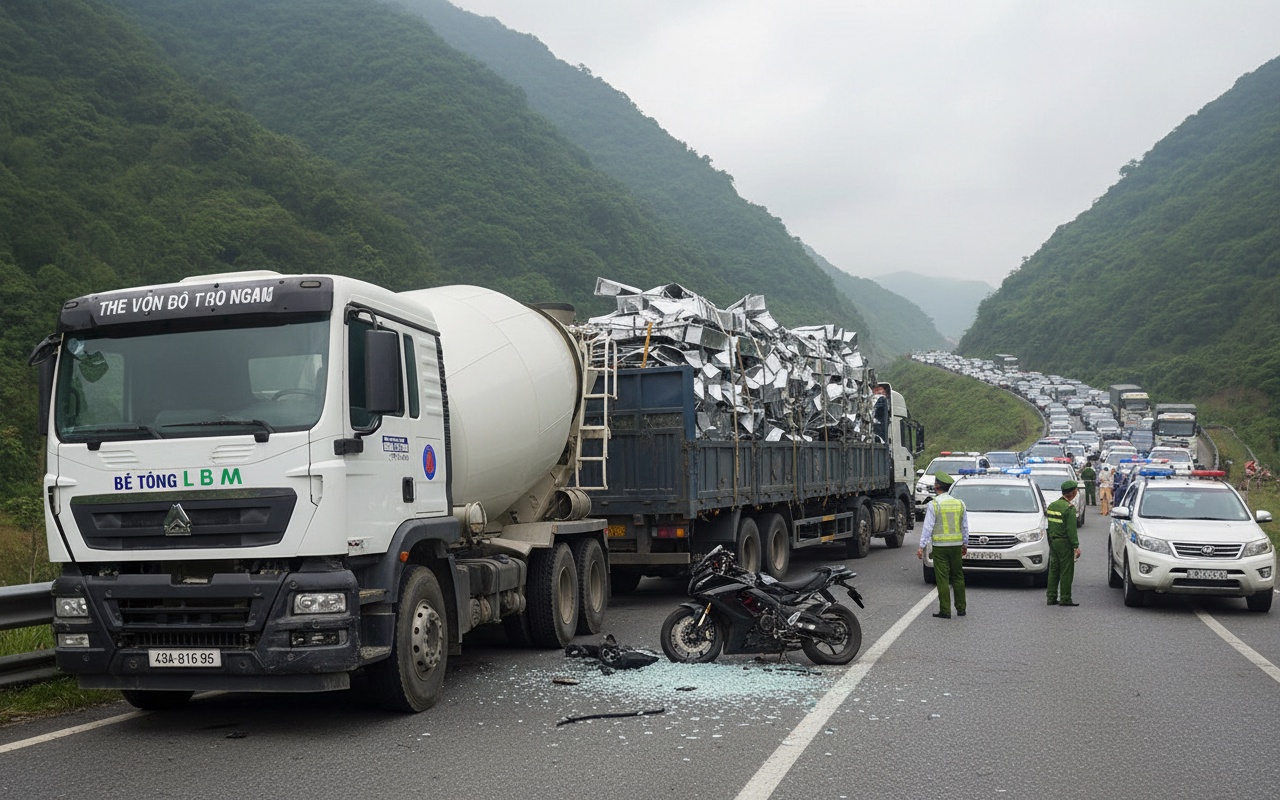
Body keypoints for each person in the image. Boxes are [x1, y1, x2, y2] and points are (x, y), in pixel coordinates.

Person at [916, 471, 968, 619]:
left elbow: (927, 527)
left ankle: (945, 610)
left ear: (937, 486)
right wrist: (965, 544)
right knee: (958, 575)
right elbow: (964, 527)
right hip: (956, 545)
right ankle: (961, 608)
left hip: (940, 547)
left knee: (942, 577)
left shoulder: (934, 504)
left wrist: (921, 547)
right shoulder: (960, 504)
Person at [1046, 480, 1081, 606]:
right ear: (1073, 493)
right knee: (1066, 571)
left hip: (1053, 541)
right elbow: (1071, 530)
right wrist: (1075, 546)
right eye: (1076, 490)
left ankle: (1051, 597)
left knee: (1053, 570)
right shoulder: (1069, 508)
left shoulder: (1052, 506)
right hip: (1064, 543)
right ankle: (1065, 598)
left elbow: (1049, 526)